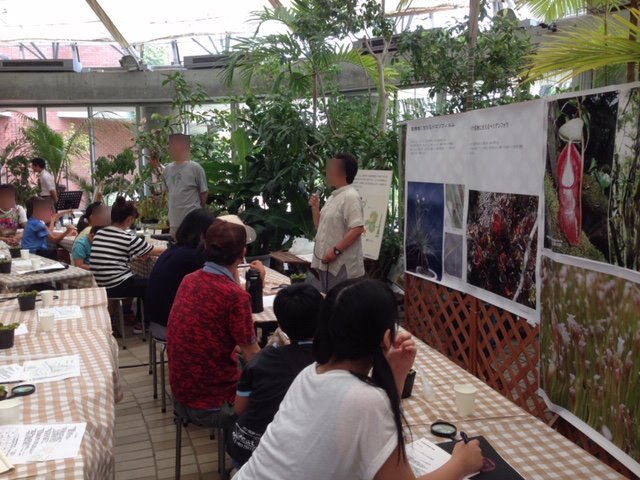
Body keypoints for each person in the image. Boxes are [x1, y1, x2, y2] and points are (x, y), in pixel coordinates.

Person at [235, 279, 483, 480]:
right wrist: (461, 464)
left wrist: (394, 374)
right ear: (386, 338)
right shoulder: (365, 400)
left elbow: (374, 429)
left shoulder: (310, 374)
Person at [167, 215, 263, 430]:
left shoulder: (189, 280)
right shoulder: (234, 297)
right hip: (214, 403)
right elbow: (252, 354)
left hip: (181, 394)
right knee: (276, 384)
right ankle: (245, 448)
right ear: (243, 253)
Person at [227, 283, 322, 468]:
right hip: (290, 457)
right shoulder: (326, 364)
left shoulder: (262, 359)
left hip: (244, 446)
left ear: (280, 325)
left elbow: (239, 408)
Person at [90, 197, 165, 332]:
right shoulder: (127, 237)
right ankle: (143, 323)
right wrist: (171, 247)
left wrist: (138, 253)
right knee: (152, 284)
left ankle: (125, 315)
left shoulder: (100, 233)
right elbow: (155, 251)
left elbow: (113, 253)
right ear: (129, 219)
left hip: (101, 283)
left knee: (138, 280)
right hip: (116, 284)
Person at [144, 208, 216, 340]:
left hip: (155, 321)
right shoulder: (192, 257)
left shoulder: (173, 251)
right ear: (203, 234)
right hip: (171, 326)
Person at [309, 153, 365, 293]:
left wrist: (335, 251)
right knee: (329, 300)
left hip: (341, 264)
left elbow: (357, 229)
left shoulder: (351, 196)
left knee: (340, 301)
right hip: (326, 262)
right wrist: (315, 208)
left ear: (344, 173)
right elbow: (320, 227)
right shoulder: (332, 197)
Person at [163, 134, 208, 238]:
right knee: (177, 244)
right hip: (174, 220)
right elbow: (168, 191)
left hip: (193, 219)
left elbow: (204, 192)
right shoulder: (167, 169)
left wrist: (201, 209)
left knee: (193, 245)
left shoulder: (195, 168)